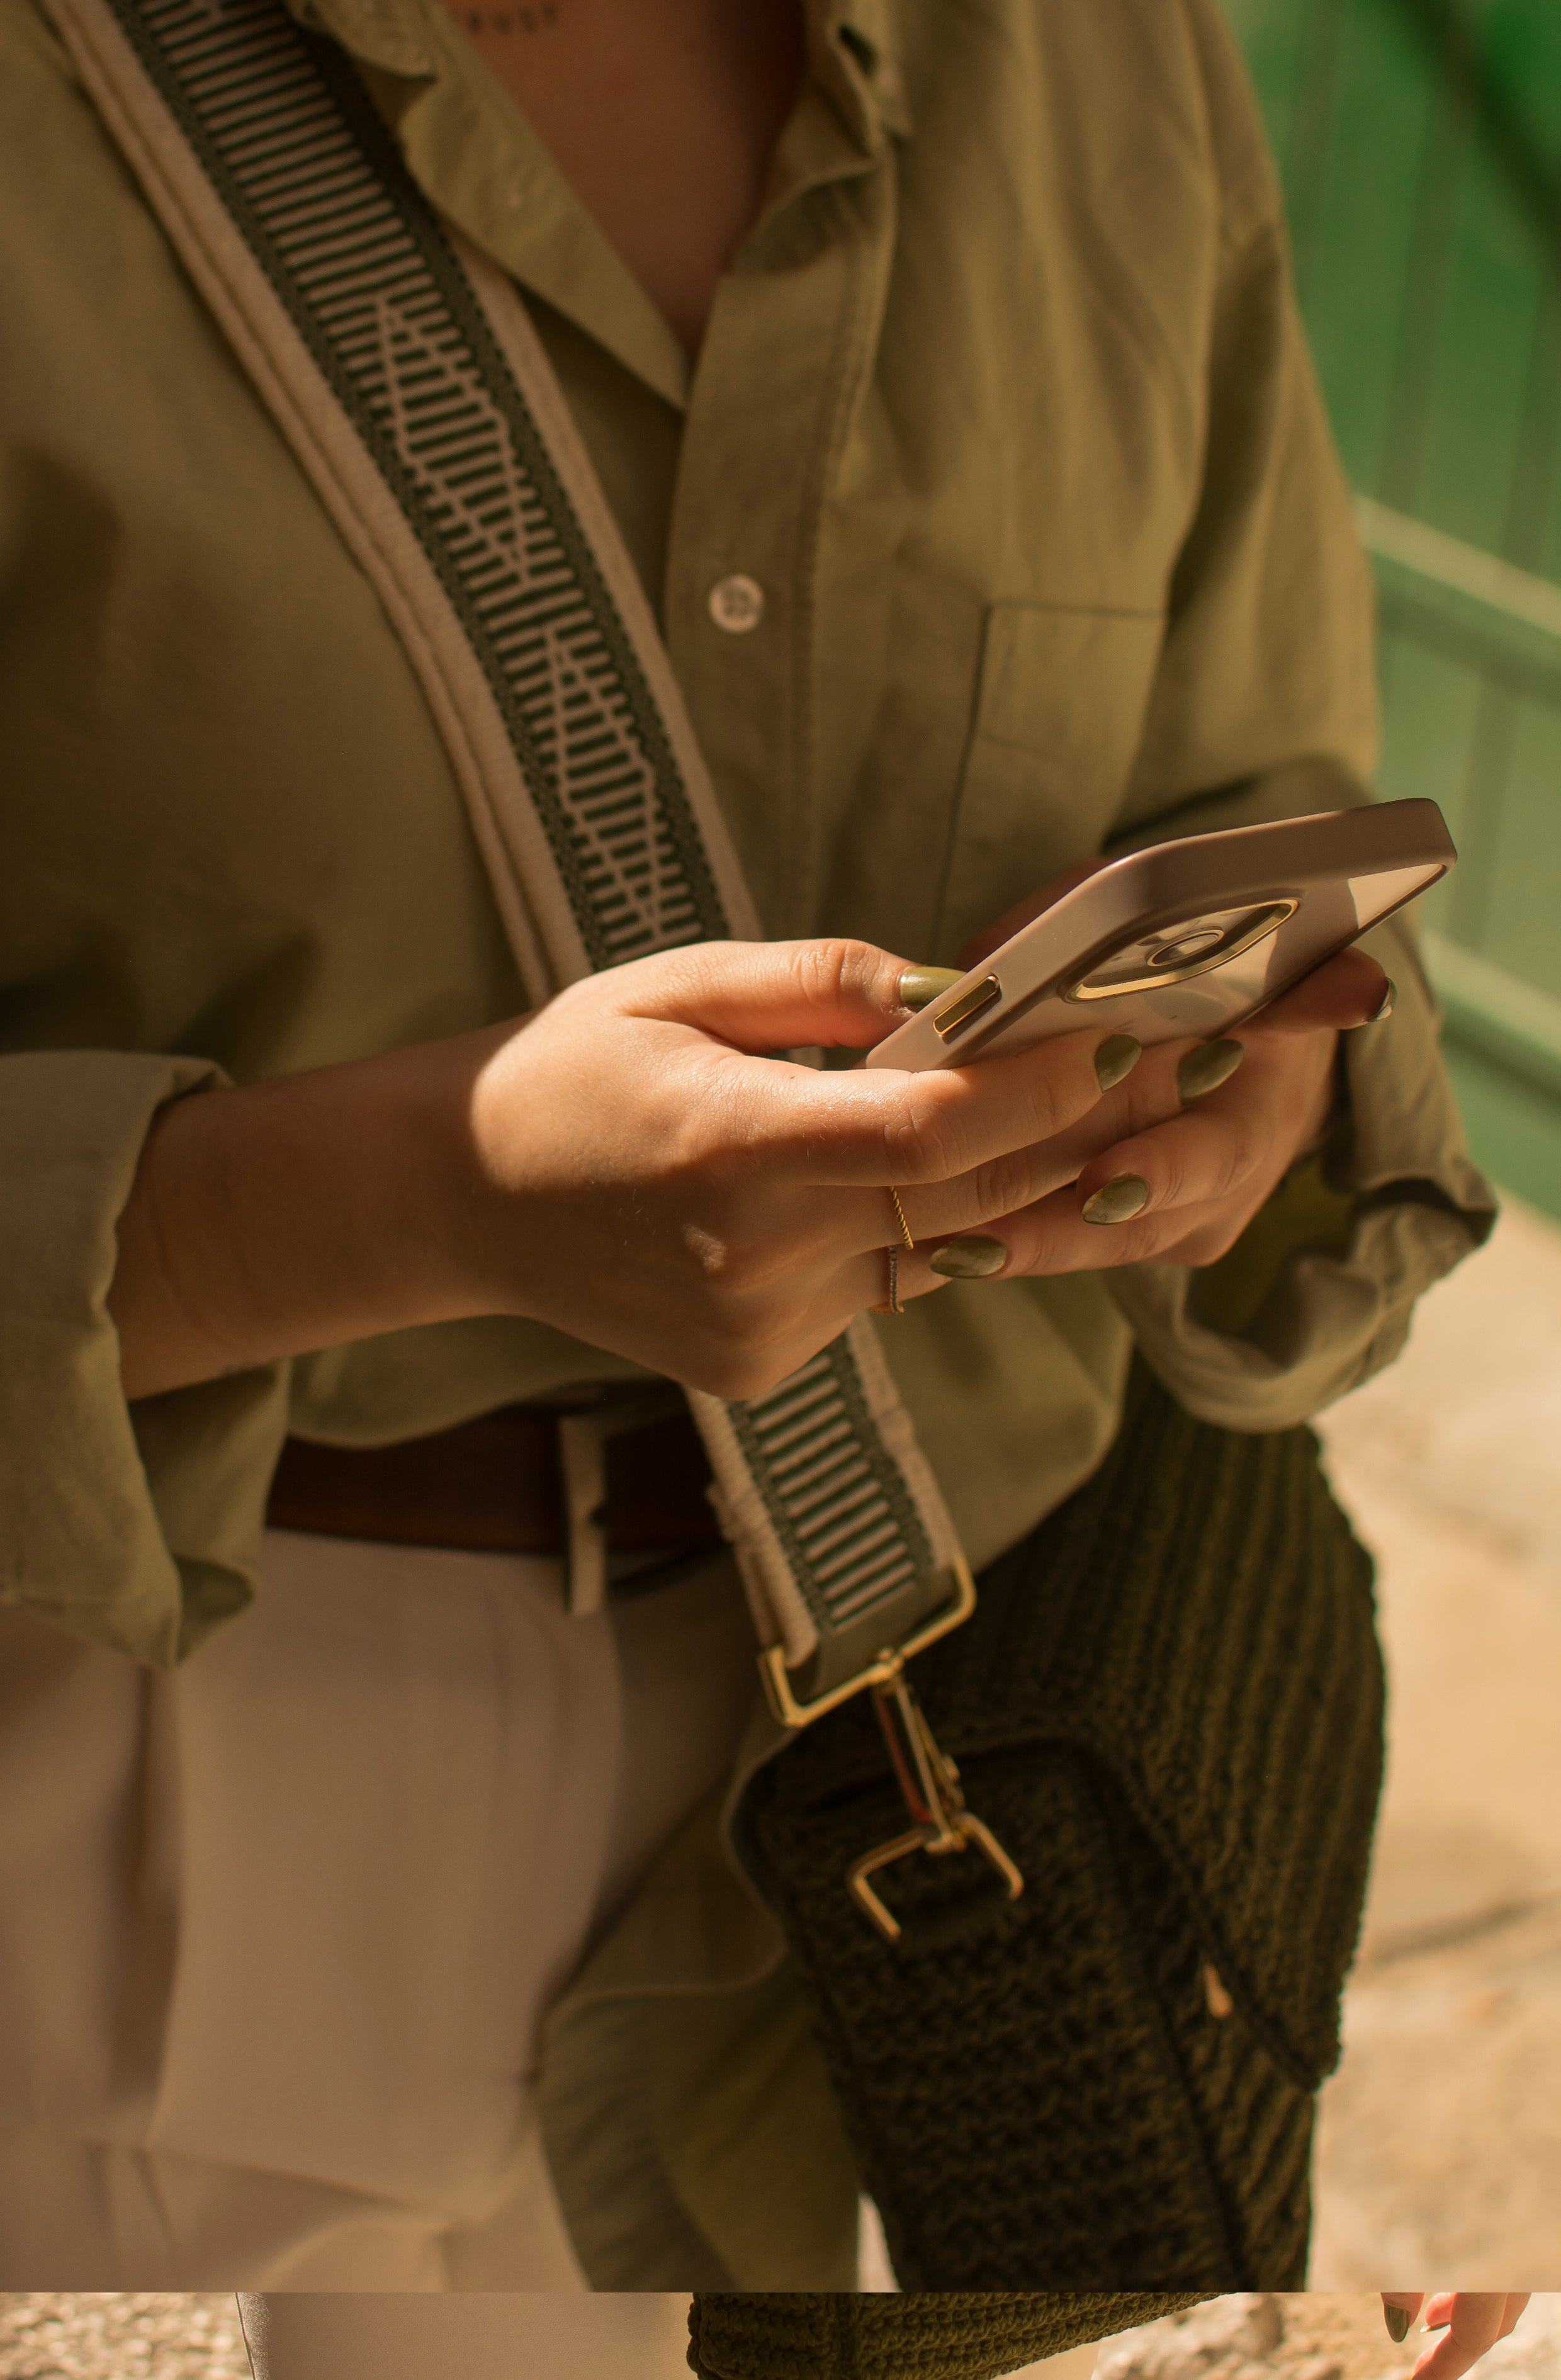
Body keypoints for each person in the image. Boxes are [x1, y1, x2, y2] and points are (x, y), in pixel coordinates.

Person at [0, 0, 1497, 2326]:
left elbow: (1253, 782)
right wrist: (417, 1199)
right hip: (103, 1750)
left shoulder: (1096, 57)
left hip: (863, 1831)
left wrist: (1238, 1091)